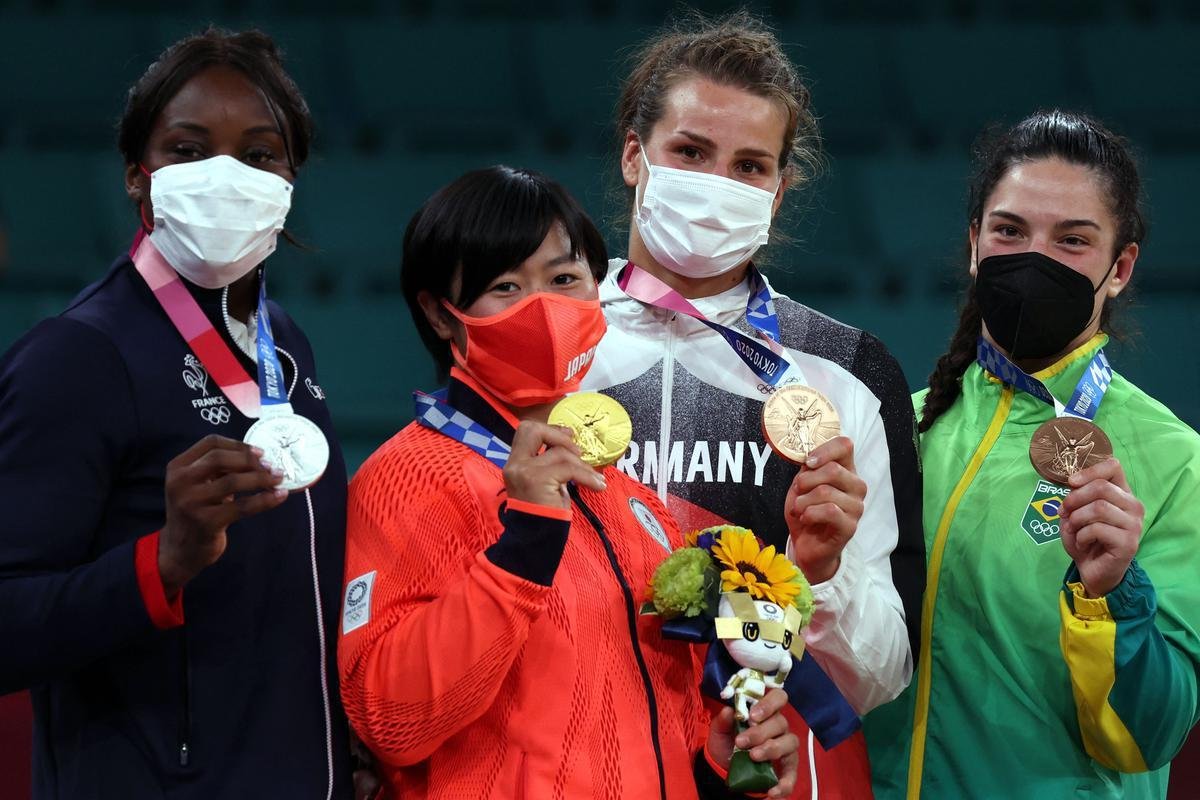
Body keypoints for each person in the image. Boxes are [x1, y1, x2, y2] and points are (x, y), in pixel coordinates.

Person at [338, 165, 802, 799]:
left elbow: (647, 719)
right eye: (505, 286)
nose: (545, 310)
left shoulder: (627, 498)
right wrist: (521, 548)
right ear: (441, 316)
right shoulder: (408, 478)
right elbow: (389, 718)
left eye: (563, 279)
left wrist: (718, 759)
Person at [0, 29, 353, 798]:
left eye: (259, 155)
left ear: (289, 180)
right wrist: (162, 561)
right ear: (139, 177)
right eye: (189, 150)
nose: (227, 176)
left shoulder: (282, 343)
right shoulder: (76, 357)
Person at [580, 13, 925, 795]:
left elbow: (882, 674)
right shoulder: (549, 342)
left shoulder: (847, 372)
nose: (716, 185)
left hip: (758, 771)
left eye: (749, 166)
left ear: (780, 188)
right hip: (580, 759)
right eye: (691, 152)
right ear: (635, 155)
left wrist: (827, 573)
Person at [865, 110, 1200, 799]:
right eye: (1010, 231)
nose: (1033, 258)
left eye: (1072, 240)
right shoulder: (902, 427)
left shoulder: (1174, 461)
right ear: (973, 244)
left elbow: (1151, 738)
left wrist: (1113, 593)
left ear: (1121, 268)